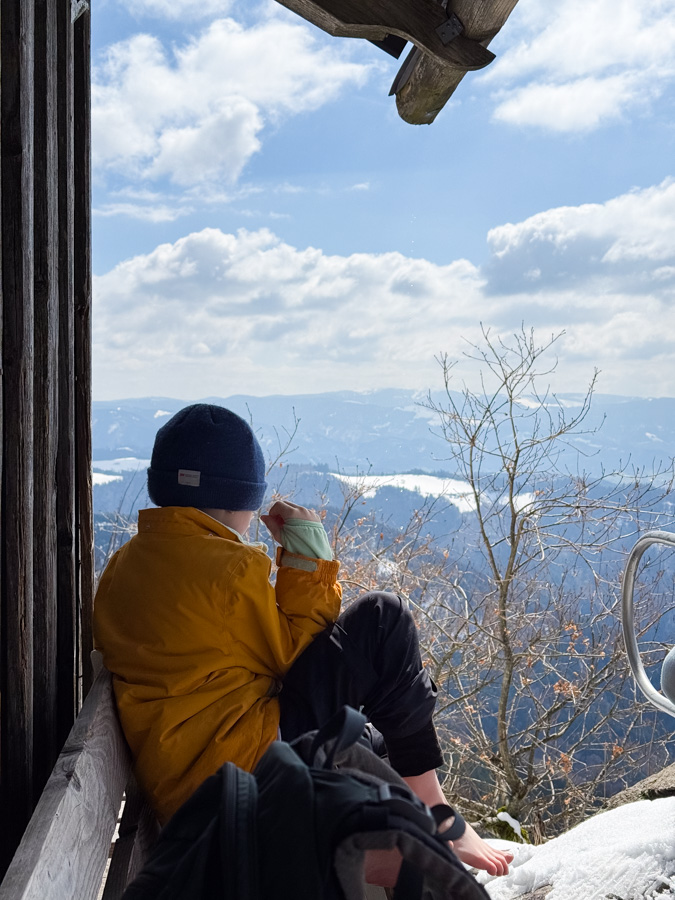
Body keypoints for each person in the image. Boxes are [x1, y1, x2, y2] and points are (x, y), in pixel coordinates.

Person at [94, 403, 512, 881]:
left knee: (372, 738)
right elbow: (298, 652)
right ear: (239, 501)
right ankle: (438, 814)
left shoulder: (123, 566)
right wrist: (306, 553)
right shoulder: (228, 571)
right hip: (241, 767)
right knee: (383, 619)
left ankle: (407, 837)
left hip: (185, 777)